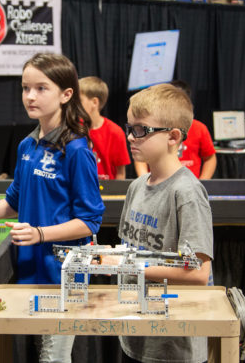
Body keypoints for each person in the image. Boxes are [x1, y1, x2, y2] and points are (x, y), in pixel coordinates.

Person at [0, 53, 105, 363]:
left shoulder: (77, 150)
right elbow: (12, 204)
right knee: (41, 353)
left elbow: (90, 221)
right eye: (26, 88)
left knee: (54, 357)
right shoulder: (27, 146)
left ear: (66, 95)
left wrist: (39, 233)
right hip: (28, 270)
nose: (30, 96)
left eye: (41, 88)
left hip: (64, 275)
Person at [116, 83, 213, 363]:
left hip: (173, 345)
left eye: (141, 130)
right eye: (129, 128)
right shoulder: (136, 186)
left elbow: (198, 274)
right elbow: (128, 251)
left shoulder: (187, 193)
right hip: (135, 336)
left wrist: (130, 266)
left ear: (173, 136)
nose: (131, 137)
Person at [134, 80, 217, 179]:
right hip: (158, 186)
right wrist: (145, 181)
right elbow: (141, 157)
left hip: (188, 186)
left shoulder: (199, 128)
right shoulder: (152, 127)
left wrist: (202, 183)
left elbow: (210, 158)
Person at [79, 76, 130, 179]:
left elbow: (120, 173)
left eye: (79, 100)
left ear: (94, 102)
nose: (74, 105)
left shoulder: (115, 132)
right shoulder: (73, 128)